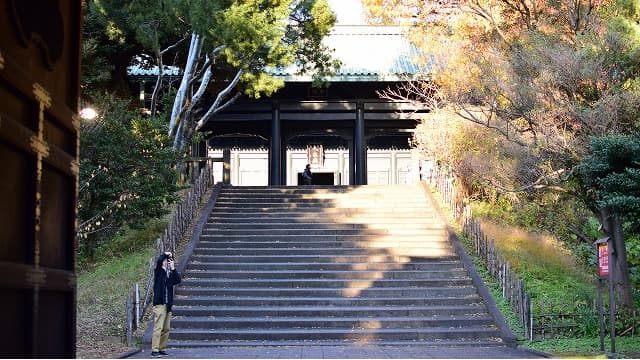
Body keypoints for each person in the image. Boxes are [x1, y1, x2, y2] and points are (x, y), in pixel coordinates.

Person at [151, 251, 181, 357]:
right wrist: (166, 254)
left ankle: (161, 348)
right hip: (159, 304)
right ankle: (154, 350)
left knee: (166, 328)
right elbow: (159, 261)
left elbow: (178, 280)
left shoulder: (169, 274)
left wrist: (173, 267)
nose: (166, 261)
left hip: (168, 305)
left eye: (168, 260)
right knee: (158, 327)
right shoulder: (159, 272)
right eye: (166, 260)